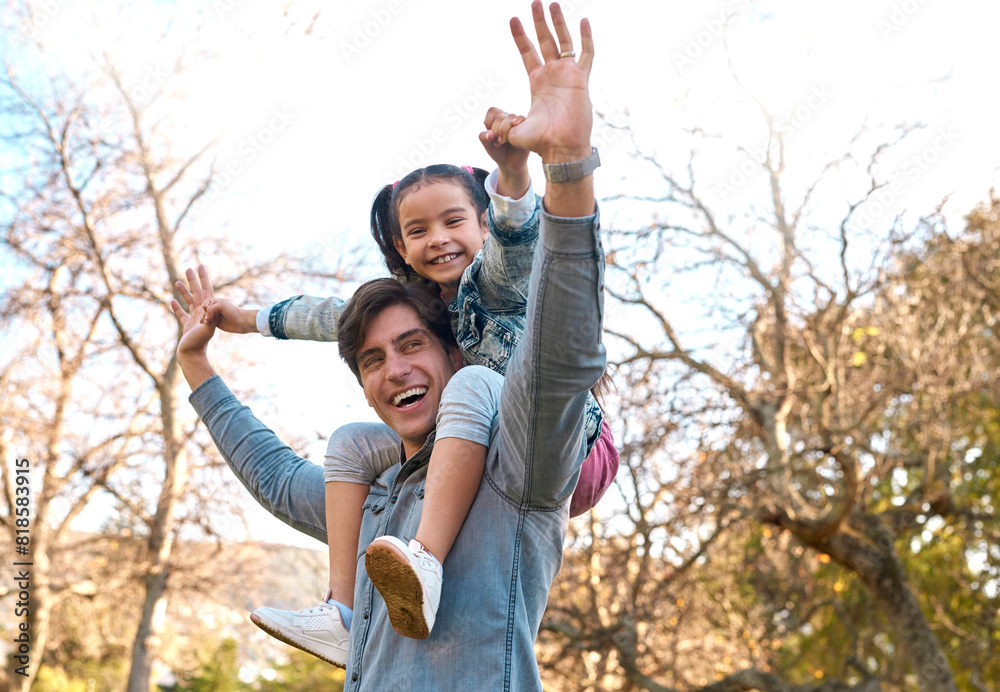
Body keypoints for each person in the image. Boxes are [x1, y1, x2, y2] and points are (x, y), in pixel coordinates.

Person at [171, 2, 604, 688]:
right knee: (346, 439)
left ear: (446, 344)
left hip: (543, 440)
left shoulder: (509, 468)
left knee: (495, 392)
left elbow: (559, 347)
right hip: (452, 450)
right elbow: (278, 476)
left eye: (409, 346)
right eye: (372, 359)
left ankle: (427, 560)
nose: (394, 368)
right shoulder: (374, 497)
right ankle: (339, 611)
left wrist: (561, 170)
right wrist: (204, 355)